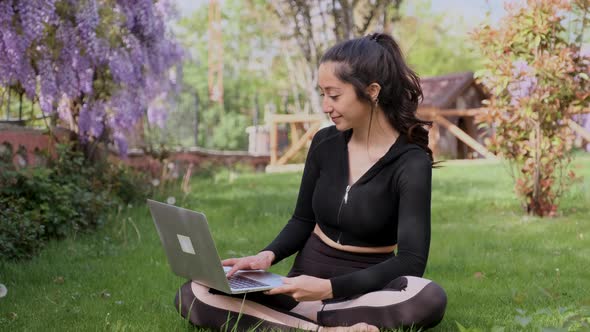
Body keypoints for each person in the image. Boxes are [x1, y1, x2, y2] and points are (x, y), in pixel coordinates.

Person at [174, 32, 447, 331]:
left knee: (428, 297)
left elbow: (410, 261)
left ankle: (297, 325)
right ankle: (317, 328)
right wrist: (266, 256)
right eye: (322, 94)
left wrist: (328, 288)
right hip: (297, 290)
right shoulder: (324, 143)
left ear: (371, 91)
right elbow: (302, 219)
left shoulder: (411, 162)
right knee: (195, 292)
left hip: (360, 297)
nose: (325, 106)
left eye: (334, 95)